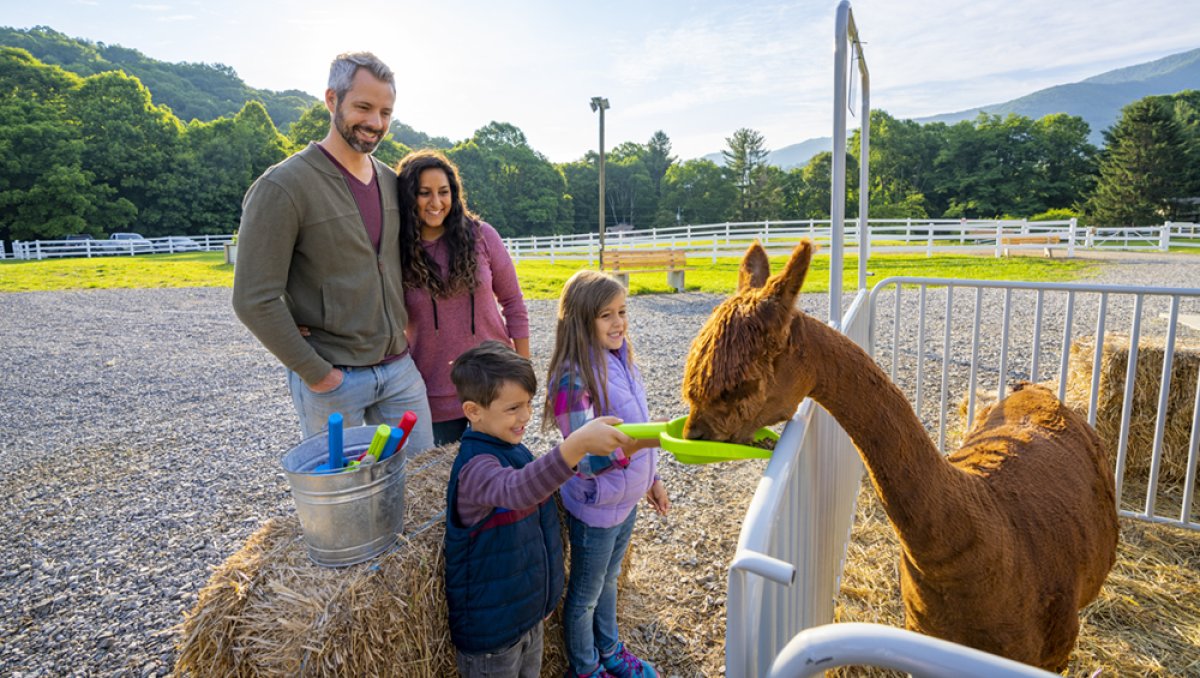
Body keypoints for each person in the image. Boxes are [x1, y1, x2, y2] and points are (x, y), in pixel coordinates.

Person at [231, 52, 433, 451]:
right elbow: (254, 298)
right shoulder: (283, 186)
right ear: (331, 100)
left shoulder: (392, 182)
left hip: (398, 371)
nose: (376, 123)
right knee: (345, 506)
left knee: (422, 484)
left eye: (386, 112)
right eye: (363, 107)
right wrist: (316, 372)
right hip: (333, 379)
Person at [444, 340, 632, 678]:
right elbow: (518, 490)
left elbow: (543, 526)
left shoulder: (514, 449)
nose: (526, 416)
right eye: (513, 408)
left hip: (529, 617)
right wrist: (577, 446)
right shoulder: (475, 468)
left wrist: (549, 597)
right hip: (492, 637)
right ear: (473, 411)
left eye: (529, 404)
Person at [543, 270, 668, 678]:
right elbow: (582, 458)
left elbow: (638, 422)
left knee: (610, 580)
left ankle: (611, 649)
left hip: (625, 500)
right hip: (596, 507)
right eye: (606, 315)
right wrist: (637, 449)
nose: (619, 323)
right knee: (584, 595)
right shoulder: (571, 376)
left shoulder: (621, 360)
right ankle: (586, 666)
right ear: (581, 320)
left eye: (622, 312)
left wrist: (652, 479)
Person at [396, 150, 530, 446]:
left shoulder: (482, 236)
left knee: (504, 483)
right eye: (424, 193)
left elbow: (514, 305)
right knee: (449, 487)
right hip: (435, 397)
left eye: (444, 192)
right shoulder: (398, 252)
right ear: (408, 197)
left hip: (498, 387)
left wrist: (523, 373)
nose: (436, 202)